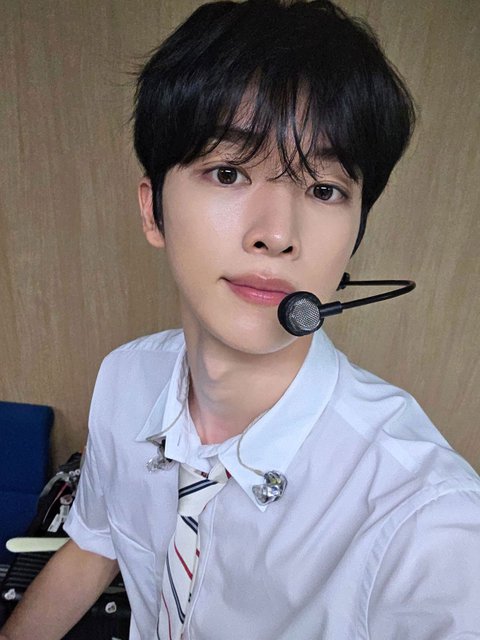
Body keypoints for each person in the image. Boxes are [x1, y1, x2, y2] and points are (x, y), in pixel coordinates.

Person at [2, 0, 480, 639]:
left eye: (324, 189)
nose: (277, 234)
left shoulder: (428, 523)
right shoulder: (125, 379)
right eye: (228, 172)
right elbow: (96, 542)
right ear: (153, 211)